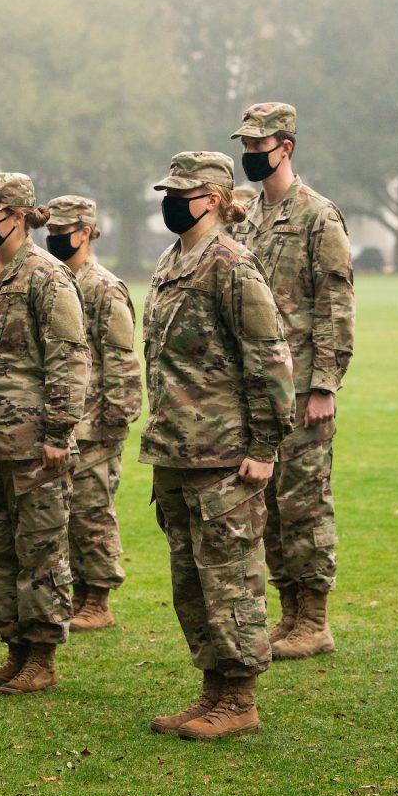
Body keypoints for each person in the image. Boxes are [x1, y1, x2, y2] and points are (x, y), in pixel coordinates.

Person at [140, 151, 295, 740]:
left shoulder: (231, 264)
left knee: (231, 578)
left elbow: (270, 359)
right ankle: (212, 690)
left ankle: (240, 700)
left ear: (211, 197)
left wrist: (264, 446)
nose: (171, 201)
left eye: (181, 192)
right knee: (192, 582)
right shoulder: (174, 258)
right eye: (169, 190)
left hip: (225, 453)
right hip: (177, 448)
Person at [230, 102, 355, 659]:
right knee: (271, 507)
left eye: (260, 146)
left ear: (288, 146)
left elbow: (336, 303)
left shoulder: (317, 216)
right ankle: (289, 614)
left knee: (305, 504)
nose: (251, 155)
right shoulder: (247, 214)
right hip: (260, 388)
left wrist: (326, 384)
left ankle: (316, 619)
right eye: (247, 146)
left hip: (304, 386)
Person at [0, 173, 89, 695]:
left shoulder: (48, 278)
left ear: (18, 215)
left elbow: (69, 359)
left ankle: (41, 657)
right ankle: (14, 649)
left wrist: (59, 431)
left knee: (39, 551)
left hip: (34, 444)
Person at [42, 195, 141, 631]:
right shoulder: (52, 281)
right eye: (51, 232)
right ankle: (74, 593)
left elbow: (121, 359)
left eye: (63, 232)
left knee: (91, 513)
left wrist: (113, 422)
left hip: (95, 423)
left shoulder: (103, 287)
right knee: (60, 515)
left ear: (84, 232)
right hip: (61, 422)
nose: (54, 239)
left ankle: (96, 599)